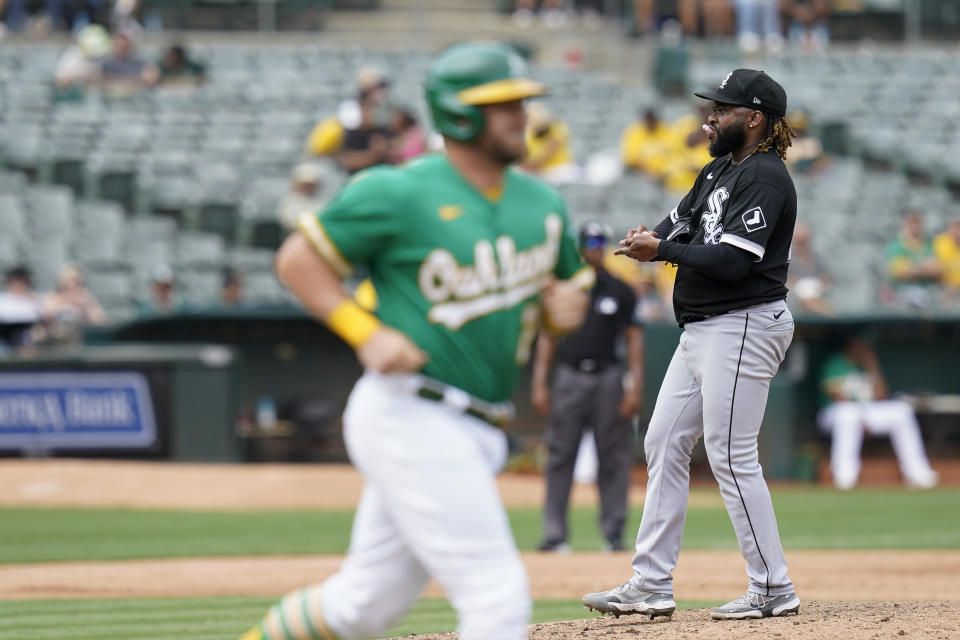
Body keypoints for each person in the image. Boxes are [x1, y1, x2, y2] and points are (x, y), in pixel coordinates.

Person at [237, 42, 591, 640]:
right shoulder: (397, 191)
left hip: (481, 425)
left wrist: (564, 313)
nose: (521, 115)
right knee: (496, 595)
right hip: (411, 411)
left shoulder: (543, 203)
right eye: (502, 105)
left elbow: (565, 299)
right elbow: (298, 260)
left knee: (362, 606)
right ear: (460, 115)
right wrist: (364, 330)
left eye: (521, 102)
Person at [583, 68, 802, 621]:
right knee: (662, 442)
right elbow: (677, 224)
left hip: (744, 322)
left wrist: (661, 252)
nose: (710, 117)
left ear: (754, 119)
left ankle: (773, 586)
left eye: (722, 109)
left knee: (731, 454)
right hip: (704, 327)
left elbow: (734, 260)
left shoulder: (766, 178)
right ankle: (651, 584)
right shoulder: (718, 171)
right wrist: (648, 239)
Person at [532, 221, 644, 554]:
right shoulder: (565, 288)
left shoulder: (620, 289)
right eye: (590, 241)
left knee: (613, 457)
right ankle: (555, 535)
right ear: (580, 247)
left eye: (600, 241)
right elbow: (547, 338)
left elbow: (635, 340)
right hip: (569, 376)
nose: (595, 247)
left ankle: (613, 534)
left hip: (608, 376)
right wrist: (540, 383)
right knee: (559, 455)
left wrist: (634, 386)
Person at [817, 334, 939, 491]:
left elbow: (882, 397)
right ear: (852, 344)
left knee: (901, 411)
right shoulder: (836, 363)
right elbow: (837, 397)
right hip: (835, 412)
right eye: (862, 345)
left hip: (867, 410)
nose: (865, 349)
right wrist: (861, 418)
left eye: (867, 346)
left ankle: (917, 474)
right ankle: (844, 477)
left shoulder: (868, 365)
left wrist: (873, 367)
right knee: (847, 416)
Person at [883, 210, 942, 309]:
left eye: (918, 222)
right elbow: (900, 272)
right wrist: (924, 267)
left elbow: (937, 269)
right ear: (905, 224)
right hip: (902, 290)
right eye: (912, 222)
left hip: (928, 289)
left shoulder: (929, 244)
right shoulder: (897, 245)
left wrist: (912, 267)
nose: (915, 226)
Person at [45, 265, 106, 343]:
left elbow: (100, 322)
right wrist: (63, 302)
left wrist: (86, 306)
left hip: (80, 342)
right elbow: (46, 317)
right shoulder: (54, 298)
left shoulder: (85, 298)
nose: (73, 284)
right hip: (56, 342)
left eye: (77, 281)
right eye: (71, 280)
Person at [520, 102, 578, 184]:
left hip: (559, 170)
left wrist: (526, 167)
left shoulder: (556, 129)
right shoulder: (530, 135)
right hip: (541, 172)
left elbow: (545, 157)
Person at [787, 221, 832, 315]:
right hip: (796, 296)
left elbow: (827, 276)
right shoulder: (788, 258)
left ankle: (817, 307)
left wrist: (820, 284)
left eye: (804, 241)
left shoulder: (815, 257)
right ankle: (820, 309)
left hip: (817, 292)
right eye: (799, 241)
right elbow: (785, 279)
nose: (802, 244)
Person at [0, 266, 45, 353]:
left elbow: (42, 318)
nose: (18, 284)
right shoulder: (2, 299)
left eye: (21, 281)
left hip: (27, 336)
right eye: (15, 281)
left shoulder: (35, 299)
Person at [276, 163, 325, 231]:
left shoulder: (322, 201)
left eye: (310, 185)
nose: (307, 187)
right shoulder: (289, 201)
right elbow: (287, 221)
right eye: (305, 184)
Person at [933, 217, 960, 300]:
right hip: (942, 287)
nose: (958, 231)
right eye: (956, 226)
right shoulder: (940, 243)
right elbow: (934, 268)